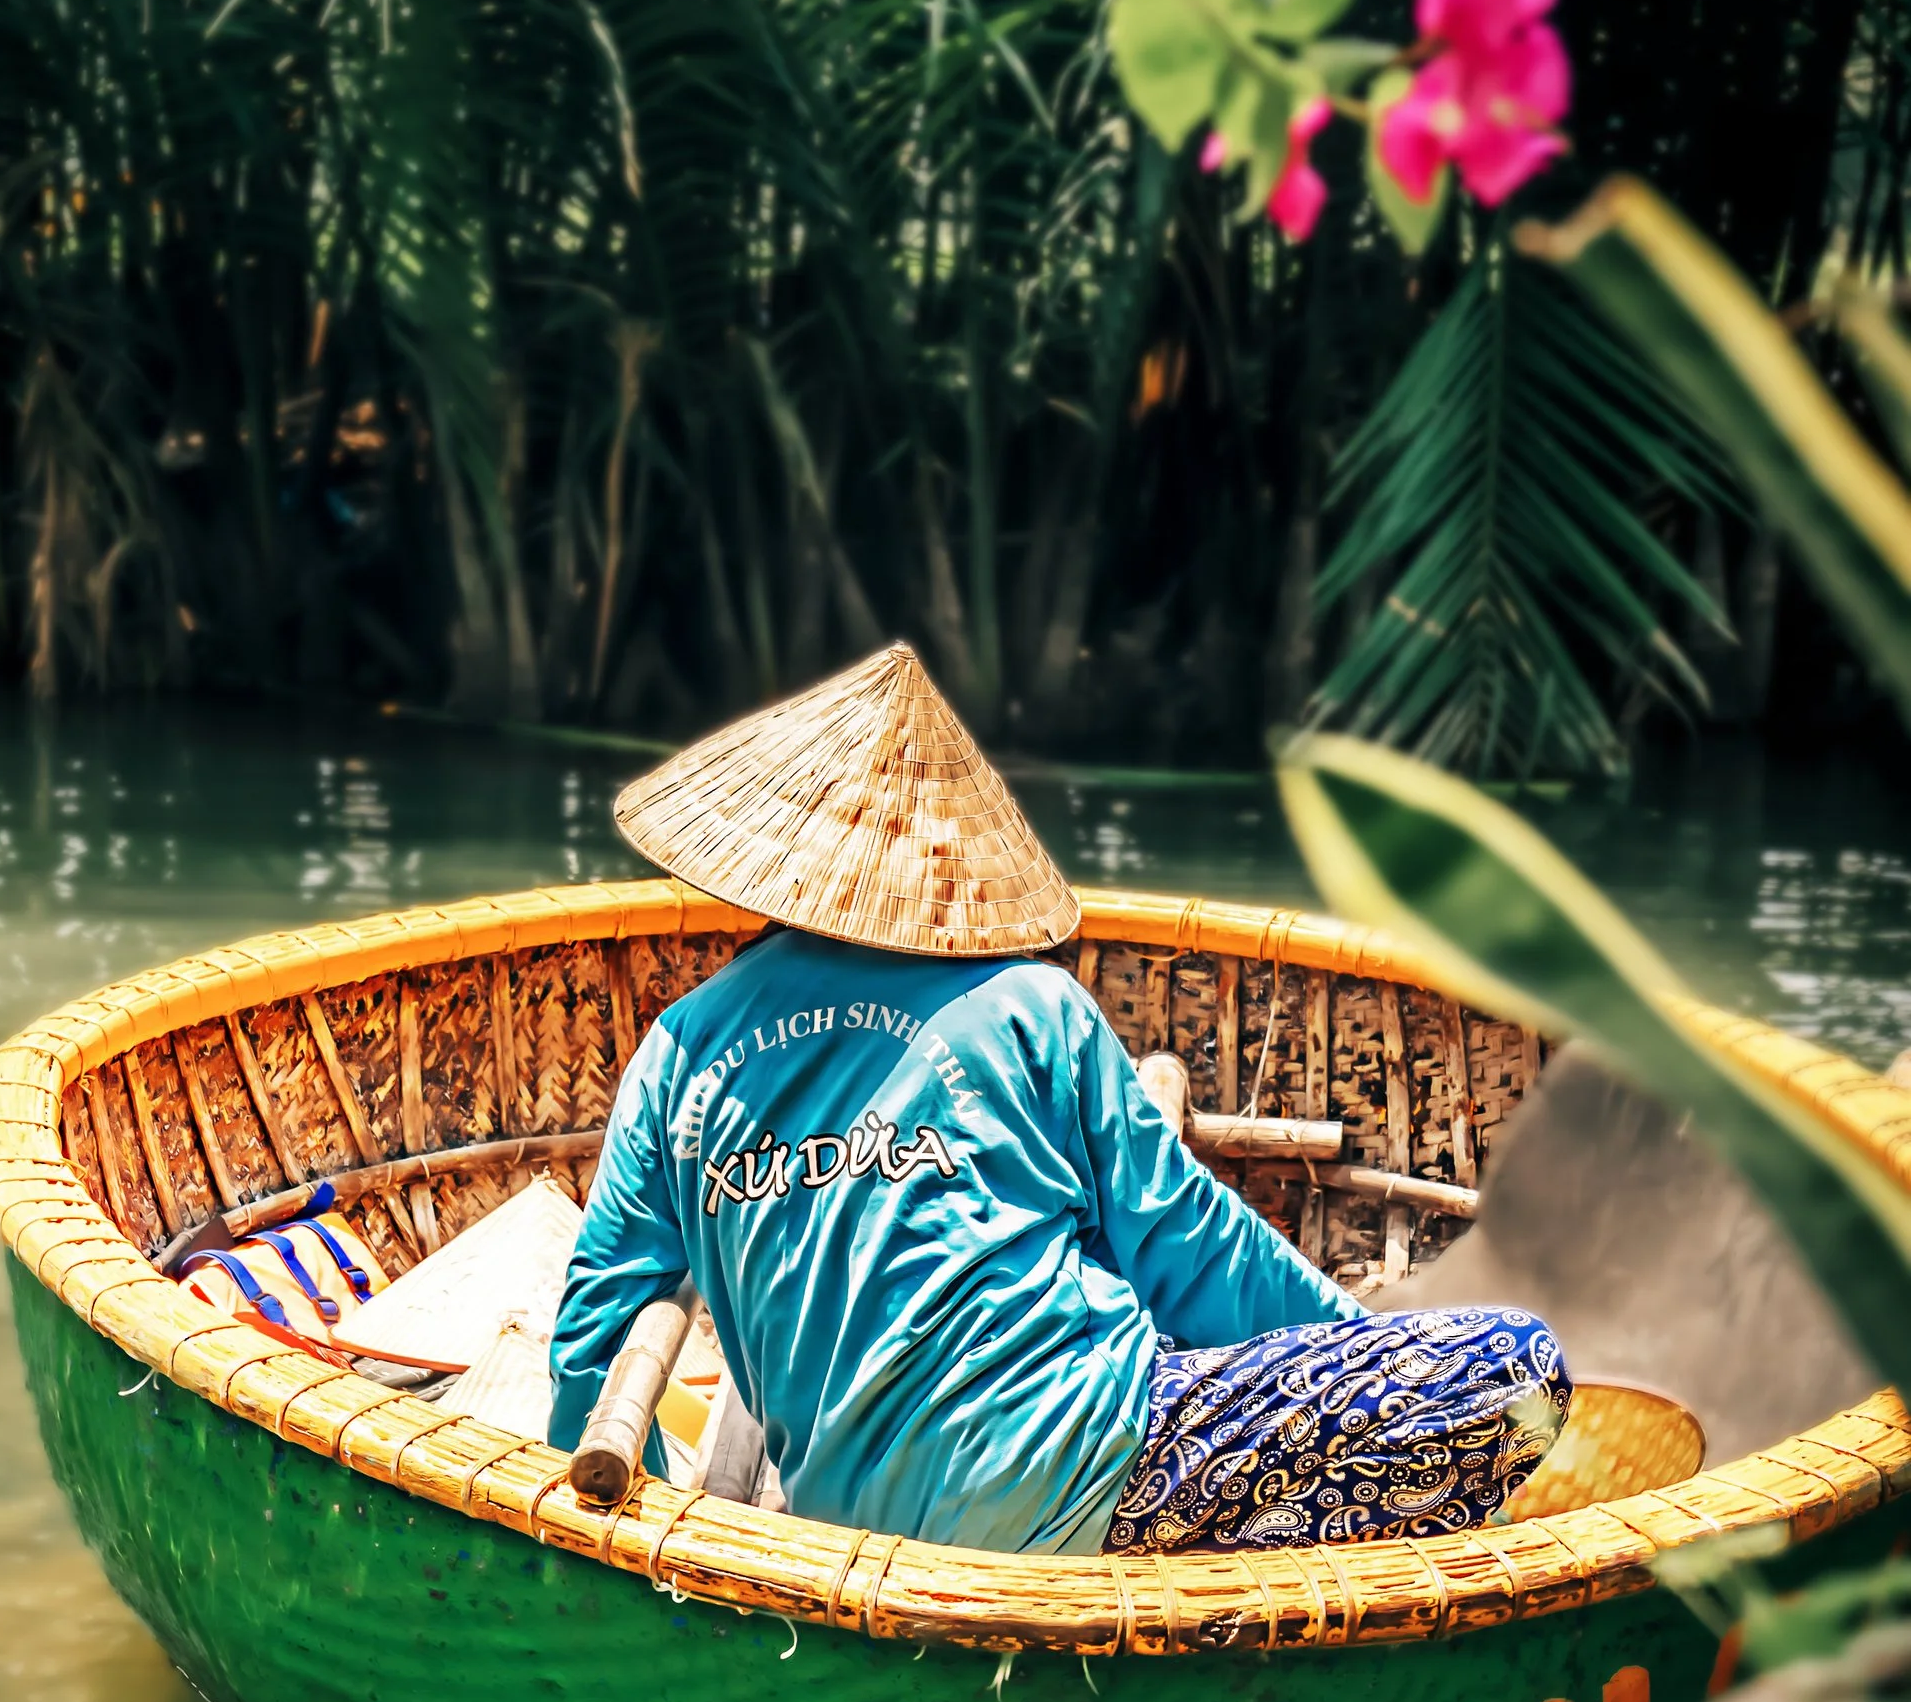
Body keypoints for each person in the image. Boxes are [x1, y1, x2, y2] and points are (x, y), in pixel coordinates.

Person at [547, 645, 1567, 1555]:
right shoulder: (1030, 1005)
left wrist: (596, 1528)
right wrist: (1356, 1350)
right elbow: (1190, 1249)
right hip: (1095, 1465)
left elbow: (596, 1327)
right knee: (1516, 1367)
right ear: (948, 872)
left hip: (849, 1531)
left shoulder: (677, 1049)